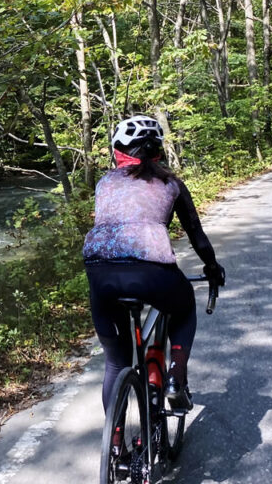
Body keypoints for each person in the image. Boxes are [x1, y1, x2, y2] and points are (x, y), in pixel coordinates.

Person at [83, 114, 225, 412]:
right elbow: (196, 236)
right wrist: (212, 267)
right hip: (153, 272)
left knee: (115, 362)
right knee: (184, 307)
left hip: (100, 274)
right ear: (158, 151)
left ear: (117, 151)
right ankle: (175, 376)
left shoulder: (105, 183)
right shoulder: (171, 183)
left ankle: (116, 445)